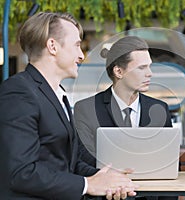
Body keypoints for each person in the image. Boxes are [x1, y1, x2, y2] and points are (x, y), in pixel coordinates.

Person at [0, 12, 137, 200]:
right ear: (52, 46)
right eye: (77, 45)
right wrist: (88, 184)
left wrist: (105, 177)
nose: (81, 55)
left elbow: (69, 163)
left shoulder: (58, 94)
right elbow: (21, 172)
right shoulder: (18, 91)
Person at [74, 36, 172, 167]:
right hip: (107, 186)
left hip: (152, 185)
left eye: (149, 66)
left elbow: (168, 159)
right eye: (142, 68)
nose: (150, 73)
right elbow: (83, 161)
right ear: (119, 71)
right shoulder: (86, 109)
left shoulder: (160, 109)